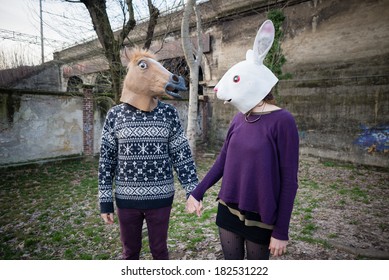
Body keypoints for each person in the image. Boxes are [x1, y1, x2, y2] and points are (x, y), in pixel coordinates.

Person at [186, 20, 299, 260]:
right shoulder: (239, 119)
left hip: (262, 216)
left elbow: (289, 180)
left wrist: (281, 231)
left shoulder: (283, 122)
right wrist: (197, 192)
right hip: (228, 210)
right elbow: (222, 161)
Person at [98, 48, 199, 260]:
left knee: (160, 251)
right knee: (130, 253)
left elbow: (181, 155)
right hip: (127, 200)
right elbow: (106, 162)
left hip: (161, 198)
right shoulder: (115, 116)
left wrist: (193, 192)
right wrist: (105, 201)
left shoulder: (168, 113)